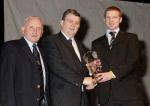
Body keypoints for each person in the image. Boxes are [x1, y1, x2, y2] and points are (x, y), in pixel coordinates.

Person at [41, 9, 96, 106]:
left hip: (83, 99)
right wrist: (82, 80)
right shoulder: (50, 41)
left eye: (77, 23)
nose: (73, 25)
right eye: (70, 21)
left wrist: (92, 75)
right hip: (62, 99)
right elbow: (57, 66)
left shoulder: (80, 45)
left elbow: (85, 69)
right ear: (62, 23)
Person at [92, 6, 145, 106]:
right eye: (108, 17)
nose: (111, 20)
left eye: (114, 17)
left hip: (129, 96)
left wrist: (110, 74)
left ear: (120, 19)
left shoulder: (131, 38)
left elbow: (133, 62)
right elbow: (96, 69)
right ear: (104, 19)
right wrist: (94, 79)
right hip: (106, 98)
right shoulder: (96, 43)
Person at [0, 16, 50, 106]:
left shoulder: (43, 52)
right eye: (31, 27)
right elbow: (6, 84)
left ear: (42, 32)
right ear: (23, 29)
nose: (35, 31)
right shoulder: (11, 48)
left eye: (39, 28)